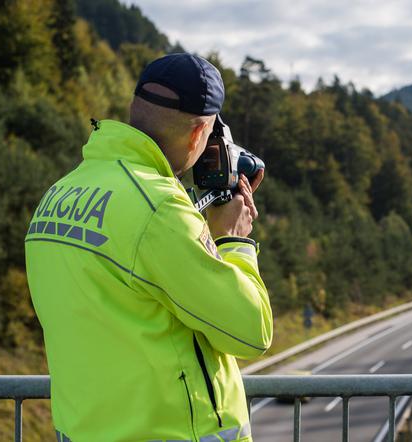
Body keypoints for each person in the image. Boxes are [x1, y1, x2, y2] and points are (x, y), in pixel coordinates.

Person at [25, 53, 272, 441]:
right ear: (198, 133)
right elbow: (251, 332)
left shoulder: (58, 194)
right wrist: (232, 239)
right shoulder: (159, 208)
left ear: (134, 108)